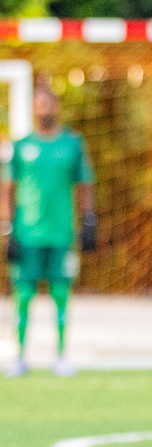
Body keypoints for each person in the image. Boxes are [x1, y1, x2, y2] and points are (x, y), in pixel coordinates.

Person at [3, 86, 96, 377]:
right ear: (33, 109)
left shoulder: (71, 144)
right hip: (26, 234)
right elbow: (7, 189)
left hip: (61, 235)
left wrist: (89, 220)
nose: (44, 110)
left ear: (56, 107)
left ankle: (60, 355)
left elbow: (85, 184)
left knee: (61, 294)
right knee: (24, 296)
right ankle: (19, 356)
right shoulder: (20, 146)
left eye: (48, 104)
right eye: (39, 105)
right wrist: (7, 228)